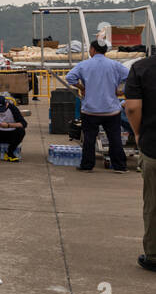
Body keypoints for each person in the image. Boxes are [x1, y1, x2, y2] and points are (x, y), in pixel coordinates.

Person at [66, 41, 130, 173]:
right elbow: (132, 77)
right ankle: (120, 166)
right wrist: (121, 92)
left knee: (89, 139)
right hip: (111, 110)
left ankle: (87, 165)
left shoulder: (84, 65)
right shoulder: (115, 65)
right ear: (105, 50)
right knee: (115, 138)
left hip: (90, 110)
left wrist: (82, 87)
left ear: (93, 49)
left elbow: (70, 77)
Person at [123, 54, 156, 270]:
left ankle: (153, 256)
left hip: (153, 146)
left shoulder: (142, 68)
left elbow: (133, 107)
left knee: (153, 204)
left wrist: (137, 134)